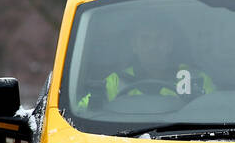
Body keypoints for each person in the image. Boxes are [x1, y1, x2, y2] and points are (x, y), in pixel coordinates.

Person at [77, 19, 214, 110]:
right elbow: (82, 112)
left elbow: (216, 112)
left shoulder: (196, 80)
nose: (152, 46)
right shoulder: (116, 81)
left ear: (170, 44)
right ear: (134, 46)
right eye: (145, 39)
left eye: (160, 38)